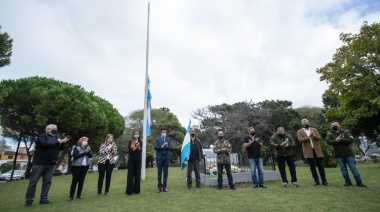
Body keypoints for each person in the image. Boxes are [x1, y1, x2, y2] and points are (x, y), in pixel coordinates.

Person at [25, 124, 68, 207]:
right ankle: (29, 201)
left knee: (47, 182)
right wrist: (59, 141)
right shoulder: (42, 136)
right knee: (33, 182)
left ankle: (44, 199)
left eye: (56, 128)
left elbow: (61, 148)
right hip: (39, 163)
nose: (55, 130)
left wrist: (63, 143)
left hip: (51, 163)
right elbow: (46, 144)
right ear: (48, 129)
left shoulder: (56, 138)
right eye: (53, 128)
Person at [326, 121, 366, 187]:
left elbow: (350, 140)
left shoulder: (345, 132)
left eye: (336, 124)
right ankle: (347, 182)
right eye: (333, 125)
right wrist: (335, 141)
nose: (335, 126)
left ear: (339, 125)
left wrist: (341, 139)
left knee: (353, 168)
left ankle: (359, 182)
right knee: (343, 169)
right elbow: (328, 141)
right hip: (339, 155)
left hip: (349, 154)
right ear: (331, 126)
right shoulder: (330, 134)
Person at [297, 119, 328, 186]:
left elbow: (319, 138)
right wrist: (308, 137)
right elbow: (300, 140)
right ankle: (316, 180)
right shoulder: (300, 131)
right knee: (312, 166)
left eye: (306, 122)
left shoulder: (314, 129)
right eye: (304, 122)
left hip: (316, 150)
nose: (305, 123)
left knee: (320, 165)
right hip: (308, 150)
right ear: (302, 124)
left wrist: (314, 136)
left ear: (309, 122)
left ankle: (324, 180)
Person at [154, 128, 172, 193]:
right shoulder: (157, 139)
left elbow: (170, 147)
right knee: (159, 172)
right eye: (163, 132)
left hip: (166, 157)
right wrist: (162, 146)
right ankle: (159, 187)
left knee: (165, 172)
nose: (164, 133)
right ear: (160, 133)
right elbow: (155, 147)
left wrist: (166, 146)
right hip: (159, 158)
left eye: (165, 132)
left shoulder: (168, 139)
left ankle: (165, 186)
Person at [126, 131, 142, 195]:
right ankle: (129, 191)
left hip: (138, 160)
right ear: (133, 135)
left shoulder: (140, 142)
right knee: (130, 175)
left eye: (137, 134)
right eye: (135, 134)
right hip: (131, 160)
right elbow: (130, 152)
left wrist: (139, 147)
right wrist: (135, 147)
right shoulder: (130, 142)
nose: (136, 135)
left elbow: (140, 152)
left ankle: (136, 190)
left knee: (137, 175)